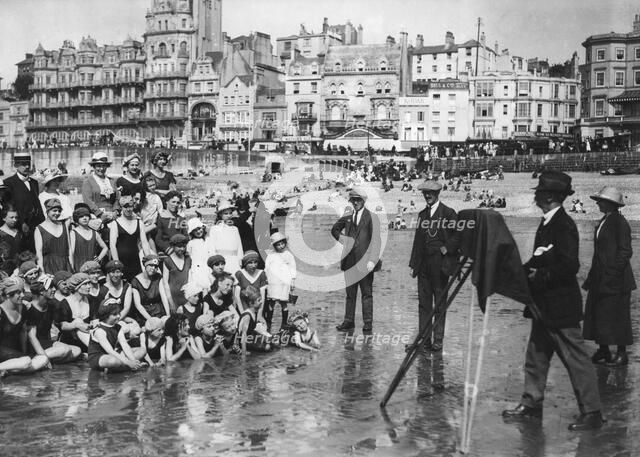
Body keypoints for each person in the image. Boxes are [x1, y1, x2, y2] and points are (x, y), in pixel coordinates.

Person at [502, 171, 604, 431]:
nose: (535, 194)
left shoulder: (563, 225)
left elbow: (570, 265)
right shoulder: (547, 222)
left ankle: (592, 412)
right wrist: (518, 271)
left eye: (539, 191)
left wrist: (540, 275)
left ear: (548, 196)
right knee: (536, 357)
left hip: (560, 306)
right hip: (542, 306)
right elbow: (539, 258)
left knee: (577, 358)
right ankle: (531, 405)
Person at [583, 186, 636, 367]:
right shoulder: (605, 220)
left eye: (600, 201)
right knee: (599, 313)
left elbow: (625, 251)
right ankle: (603, 349)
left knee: (618, 315)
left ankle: (622, 354)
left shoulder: (619, 223)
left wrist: (613, 273)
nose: (597, 203)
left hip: (617, 279)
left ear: (610, 204)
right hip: (601, 276)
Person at [409, 180, 459, 352]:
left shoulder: (448, 213)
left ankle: (437, 340)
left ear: (437, 194)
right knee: (423, 304)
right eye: (425, 193)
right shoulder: (422, 214)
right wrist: (413, 264)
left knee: (439, 303)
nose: (427, 195)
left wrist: (447, 248)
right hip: (423, 264)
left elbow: (459, 235)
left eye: (430, 193)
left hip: (440, 264)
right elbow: (417, 241)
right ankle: (424, 340)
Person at [331, 187, 382, 332]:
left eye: (358, 200)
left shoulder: (372, 217)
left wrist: (373, 260)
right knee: (350, 295)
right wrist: (342, 239)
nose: (355, 203)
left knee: (367, 294)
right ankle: (349, 321)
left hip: (366, 263)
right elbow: (334, 229)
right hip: (349, 262)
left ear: (363, 201)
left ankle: (367, 322)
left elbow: (376, 241)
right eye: (353, 200)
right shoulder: (347, 216)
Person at [0, 277, 50, 376]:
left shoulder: (23, 308)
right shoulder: (1, 312)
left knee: (43, 359)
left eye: (22, 291)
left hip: (14, 353)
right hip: (2, 351)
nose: (22, 295)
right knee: (26, 362)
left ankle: (7, 371)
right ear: (8, 294)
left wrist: (24, 352)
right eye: (18, 292)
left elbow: (24, 332)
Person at [25, 277, 82, 363]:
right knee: (64, 350)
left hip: (45, 342)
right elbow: (31, 337)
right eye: (50, 287)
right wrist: (42, 354)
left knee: (76, 350)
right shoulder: (30, 309)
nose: (54, 289)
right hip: (32, 344)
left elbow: (51, 328)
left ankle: (46, 362)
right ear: (41, 291)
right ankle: (38, 360)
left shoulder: (51, 305)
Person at [87, 298, 146, 372]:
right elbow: (110, 351)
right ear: (106, 315)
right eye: (114, 314)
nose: (118, 316)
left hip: (114, 354)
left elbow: (124, 345)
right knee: (114, 361)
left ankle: (123, 367)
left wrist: (133, 360)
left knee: (142, 350)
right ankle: (121, 367)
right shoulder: (99, 330)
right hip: (99, 357)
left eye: (119, 313)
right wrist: (128, 362)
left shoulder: (118, 327)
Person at [3, 151, 45, 252]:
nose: (27, 167)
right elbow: (9, 207)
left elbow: (37, 204)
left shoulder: (34, 182)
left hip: (35, 226)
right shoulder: (8, 183)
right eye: (23, 164)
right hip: (19, 227)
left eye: (28, 164)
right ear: (16, 165)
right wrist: (21, 222)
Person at [109, 195, 151, 282]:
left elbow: (144, 242)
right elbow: (112, 245)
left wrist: (148, 259)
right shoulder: (115, 223)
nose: (128, 209)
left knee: (137, 283)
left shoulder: (139, 222)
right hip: (121, 260)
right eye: (125, 207)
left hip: (135, 259)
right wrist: (117, 263)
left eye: (130, 206)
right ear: (121, 207)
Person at [264, 232, 296, 332]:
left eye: (282, 243)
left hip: (284, 282)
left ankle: (284, 323)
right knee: (271, 302)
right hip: (273, 282)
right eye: (278, 244)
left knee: (283, 302)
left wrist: (292, 281)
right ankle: (269, 321)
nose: (281, 246)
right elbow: (267, 267)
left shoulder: (288, 255)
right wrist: (266, 279)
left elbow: (292, 268)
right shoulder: (271, 255)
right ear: (274, 246)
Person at [55, 272, 95, 350]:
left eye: (89, 284)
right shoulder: (65, 303)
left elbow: (95, 320)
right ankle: (94, 350)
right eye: (85, 284)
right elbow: (63, 326)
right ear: (77, 287)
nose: (89, 287)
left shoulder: (90, 300)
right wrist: (77, 325)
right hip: (70, 339)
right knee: (78, 320)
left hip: (88, 334)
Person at [34, 198, 73, 275]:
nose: (57, 213)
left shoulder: (64, 225)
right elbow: (39, 253)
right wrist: (42, 272)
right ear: (47, 211)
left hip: (65, 265)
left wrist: (72, 266)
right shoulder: (39, 229)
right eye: (54, 210)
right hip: (49, 266)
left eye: (59, 211)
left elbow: (69, 249)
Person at [130, 255, 171, 326]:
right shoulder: (135, 281)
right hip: (144, 315)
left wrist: (168, 315)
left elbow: (163, 297)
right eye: (151, 265)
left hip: (159, 311)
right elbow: (138, 305)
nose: (153, 268)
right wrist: (150, 319)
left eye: (155, 266)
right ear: (145, 265)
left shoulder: (158, 278)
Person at [81, 151, 120, 224]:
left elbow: (117, 198)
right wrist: (100, 214)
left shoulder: (111, 181)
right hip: (96, 217)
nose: (101, 168)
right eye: (98, 166)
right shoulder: (88, 182)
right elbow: (88, 201)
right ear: (94, 167)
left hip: (113, 216)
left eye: (104, 166)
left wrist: (115, 211)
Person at [207, 201, 244, 274]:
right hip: (221, 260)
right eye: (226, 214)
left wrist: (240, 259)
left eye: (230, 213)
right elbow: (211, 246)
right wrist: (215, 261)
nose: (229, 215)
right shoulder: (215, 228)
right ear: (220, 215)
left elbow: (239, 246)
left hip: (234, 260)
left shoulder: (235, 229)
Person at [70, 206, 109, 271]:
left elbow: (105, 248)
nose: (84, 218)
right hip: (79, 265)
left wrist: (99, 258)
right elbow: (71, 252)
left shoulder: (94, 233)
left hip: (92, 266)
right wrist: (72, 267)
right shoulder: (73, 233)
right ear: (77, 219)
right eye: (81, 216)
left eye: (86, 216)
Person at [237, 286, 272, 355]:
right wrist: (244, 354)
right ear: (251, 303)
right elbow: (243, 335)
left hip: (251, 336)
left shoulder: (254, 312)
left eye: (261, 299)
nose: (261, 302)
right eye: (259, 300)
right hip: (243, 340)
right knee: (267, 347)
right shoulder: (247, 315)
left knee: (272, 340)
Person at [163, 234, 191, 312]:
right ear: (173, 246)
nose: (182, 249)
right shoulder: (167, 261)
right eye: (179, 246)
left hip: (187, 296)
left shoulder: (188, 259)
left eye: (183, 246)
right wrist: (170, 302)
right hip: (174, 297)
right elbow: (165, 283)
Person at [155, 191, 187, 256]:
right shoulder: (161, 218)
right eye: (173, 202)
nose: (175, 205)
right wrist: (168, 249)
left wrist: (182, 247)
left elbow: (185, 236)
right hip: (167, 252)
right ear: (167, 202)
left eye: (178, 202)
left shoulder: (181, 219)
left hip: (180, 251)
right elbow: (158, 239)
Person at [186, 217, 212, 290]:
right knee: (197, 285)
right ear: (192, 232)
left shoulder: (206, 241)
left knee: (207, 284)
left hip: (206, 266)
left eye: (199, 229)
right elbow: (189, 255)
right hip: (196, 267)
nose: (198, 231)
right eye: (195, 230)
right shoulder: (191, 243)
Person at [0, 205, 23, 275]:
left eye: (16, 217)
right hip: (5, 270)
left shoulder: (19, 233)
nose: (14, 220)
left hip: (19, 267)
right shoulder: (1, 234)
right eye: (11, 217)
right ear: (4, 218)